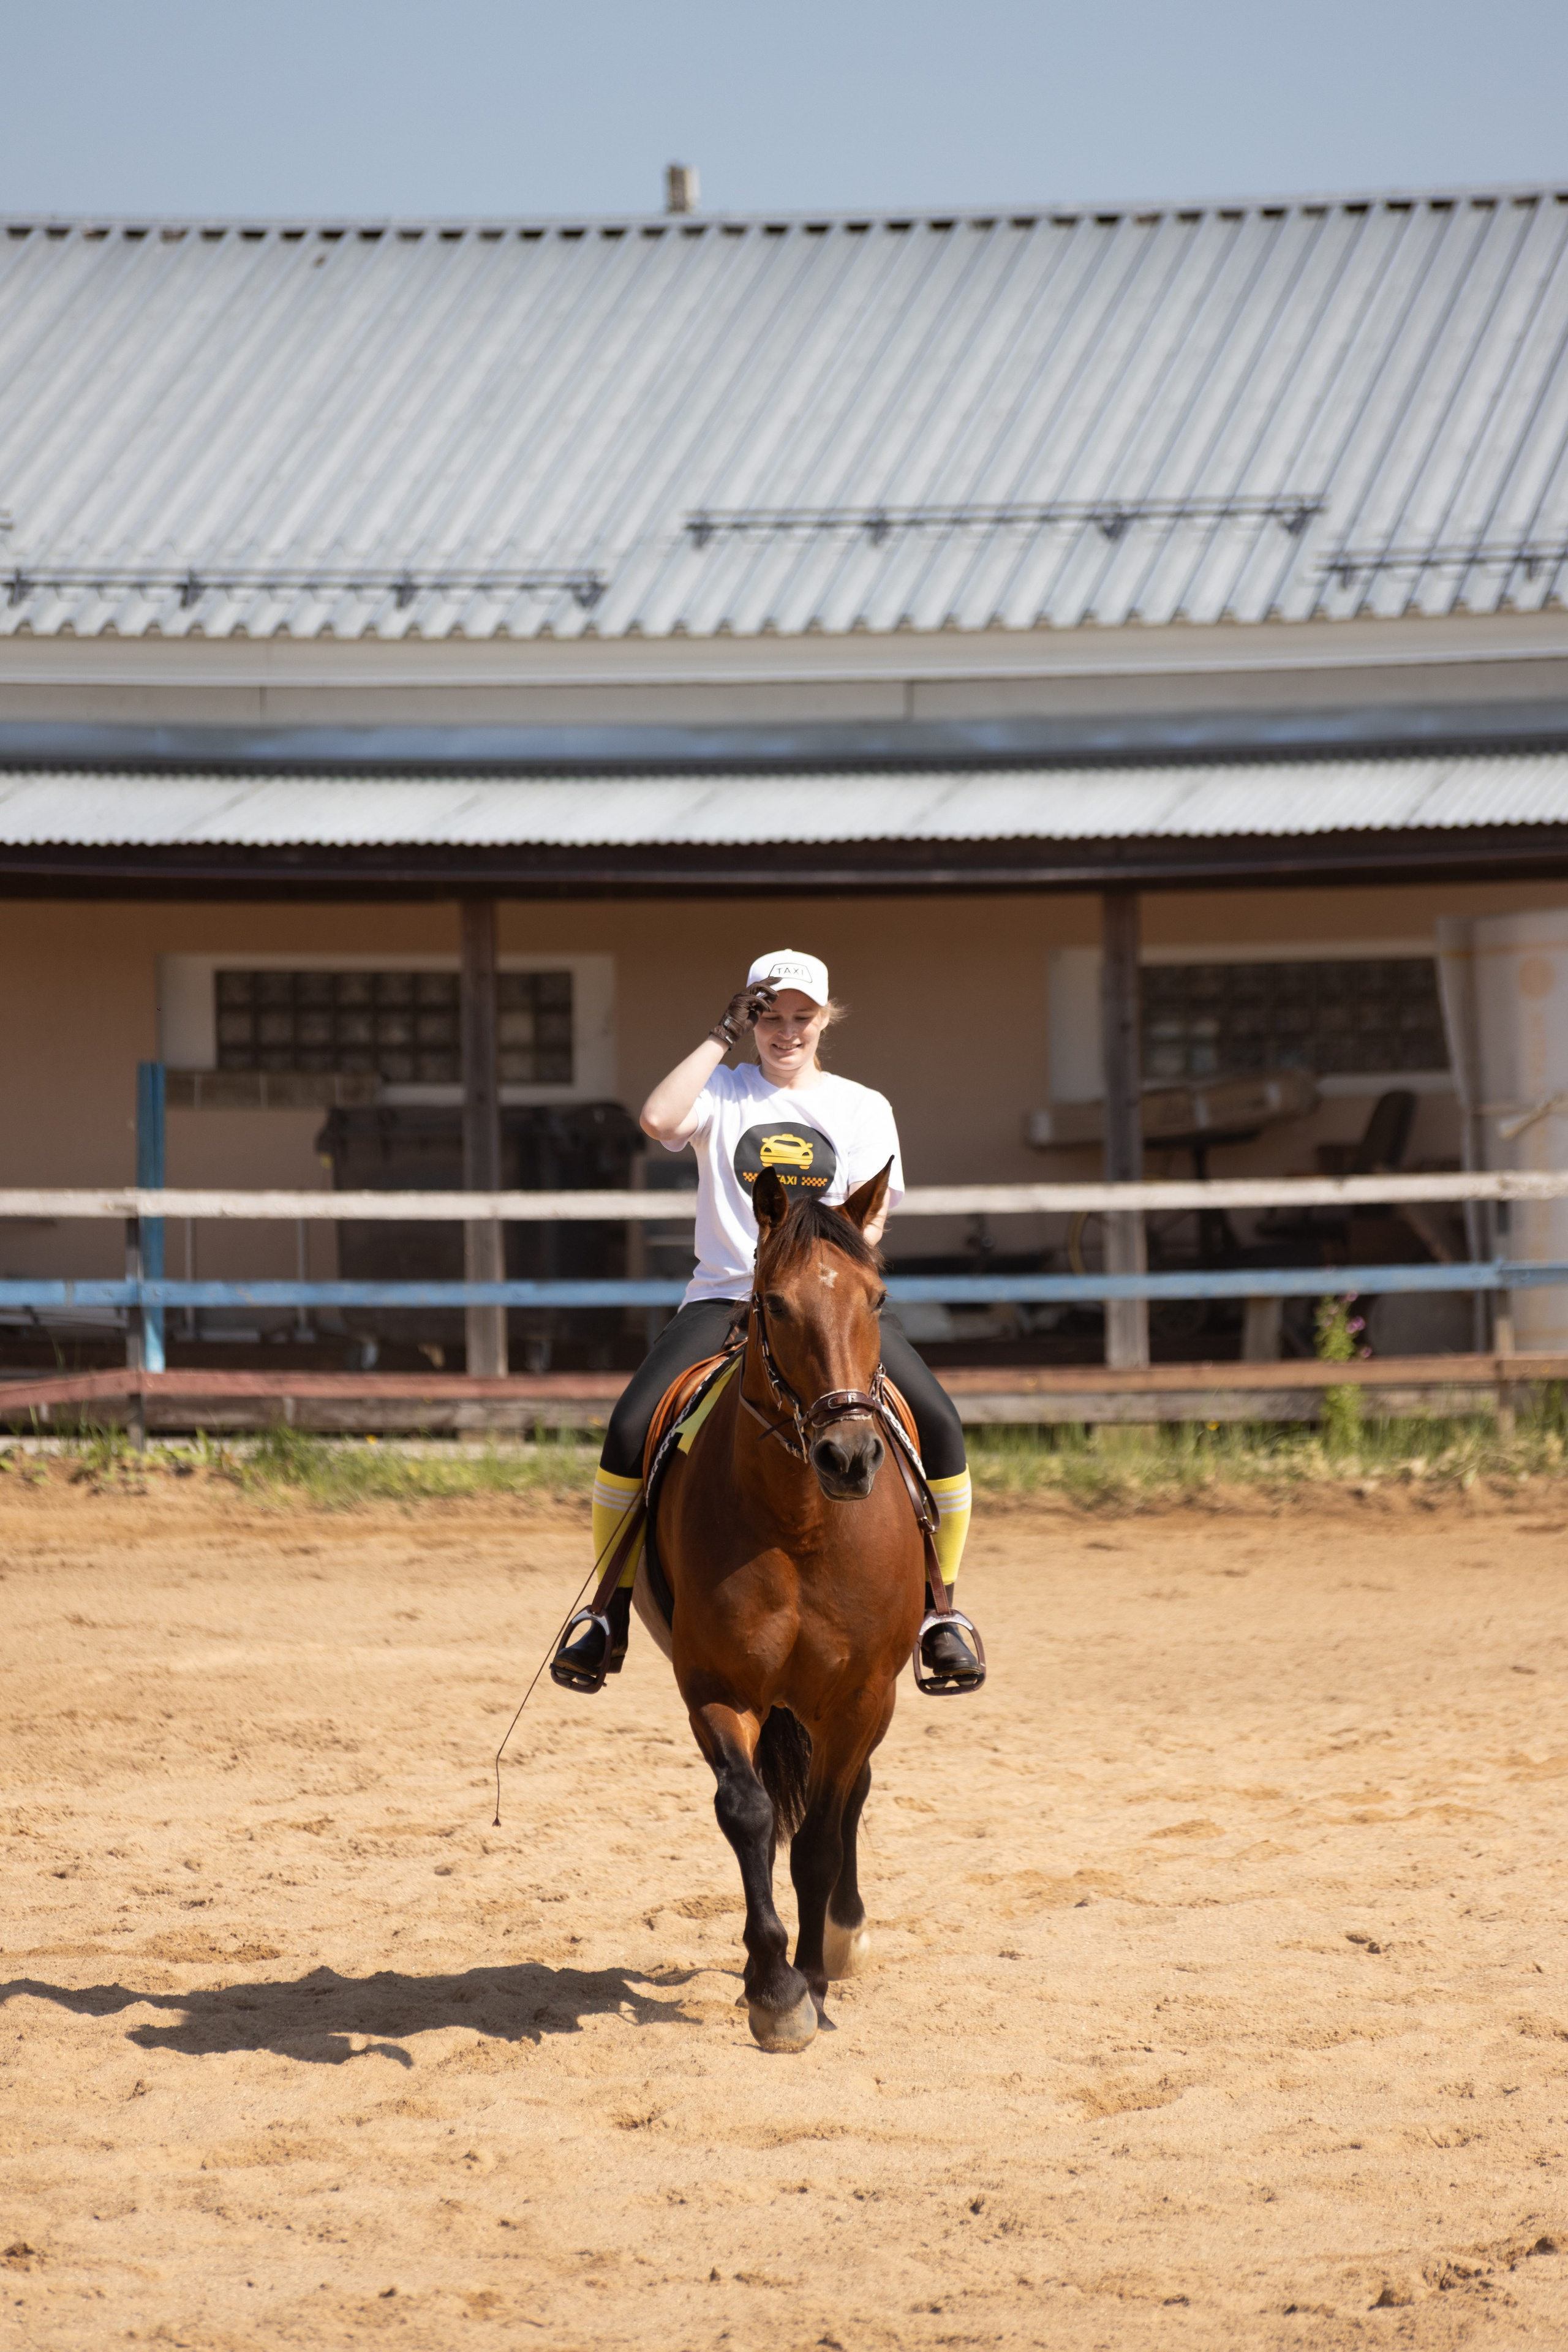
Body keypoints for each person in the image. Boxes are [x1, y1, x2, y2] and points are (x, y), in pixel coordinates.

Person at [552, 949, 982, 1687]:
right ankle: (608, 1611)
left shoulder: (862, 1107)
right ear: (752, 1022)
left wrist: (820, 1282)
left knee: (938, 1425)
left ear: (825, 1020)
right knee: (630, 1428)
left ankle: (939, 1609)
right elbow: (657, 1118)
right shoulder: (723, 1092)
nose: (786, 1033)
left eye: (800, 1018)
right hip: (725, 1298)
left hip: (826, 1305)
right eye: (769, 1018)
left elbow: (867, 1223)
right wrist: (722, 1033)